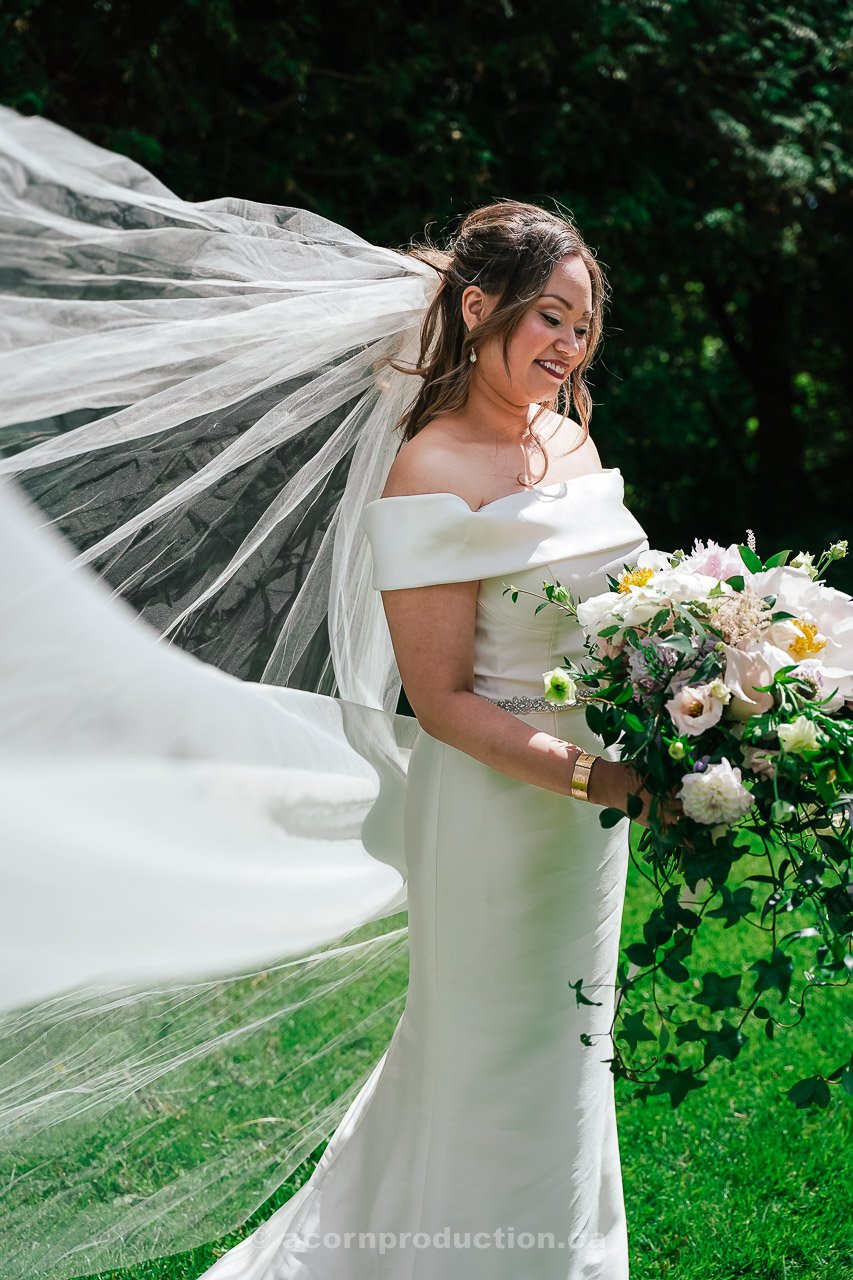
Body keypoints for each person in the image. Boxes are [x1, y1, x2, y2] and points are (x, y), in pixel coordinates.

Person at [0, 106, 666, 1280]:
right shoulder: (429, 467)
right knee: (486, 1049)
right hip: (505, 816)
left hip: (590, 826)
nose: (568, 346)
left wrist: (690, 668)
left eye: (582, 325)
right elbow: (443, 697)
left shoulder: (564, 438)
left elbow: (621, 599)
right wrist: (589, 772)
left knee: (569, 1044)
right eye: (549, 317)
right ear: (479, 308)